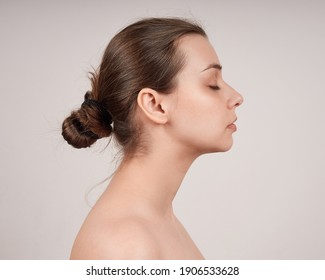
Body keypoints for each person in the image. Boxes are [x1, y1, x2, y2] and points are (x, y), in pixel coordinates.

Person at [62, 17, 243, 260]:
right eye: (212, 84)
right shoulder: (125, 244)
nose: (237, 96)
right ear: (155, 105)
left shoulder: (159, 221)